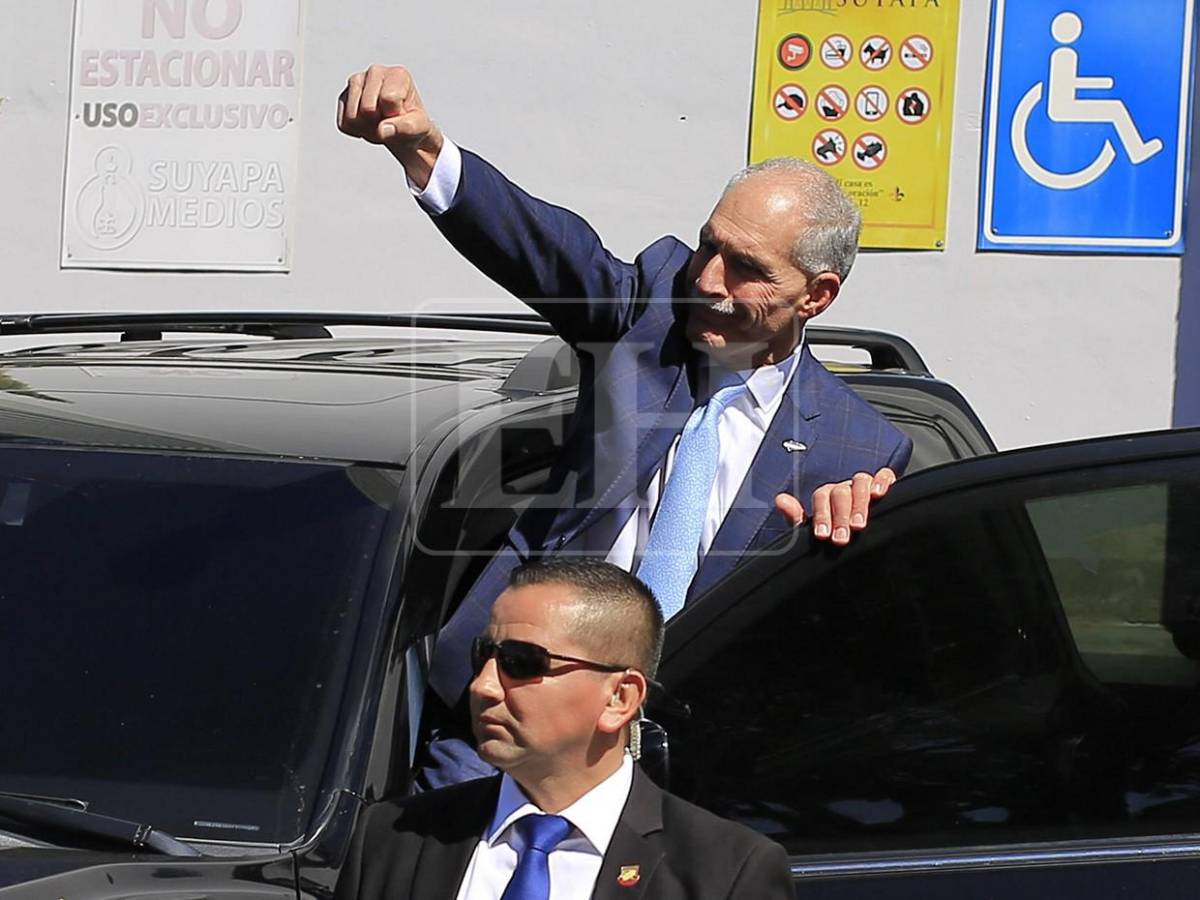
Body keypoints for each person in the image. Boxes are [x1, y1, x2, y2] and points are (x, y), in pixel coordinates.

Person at [337, 64, 913, 785]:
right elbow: (545, 249)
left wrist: (855, 523)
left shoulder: (855, 447)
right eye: (709, 245)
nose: (708, 279)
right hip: (511, 714)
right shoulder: (649, 310)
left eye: (745, 268)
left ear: (817, 294)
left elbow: (860, 646)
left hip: (686, 767)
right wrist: (425, 152)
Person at [334, 559, 794, 900]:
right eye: (484, 657)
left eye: (521, 663)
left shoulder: (727, 872)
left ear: (620, 698)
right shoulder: (393, 837)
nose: (484, 686)